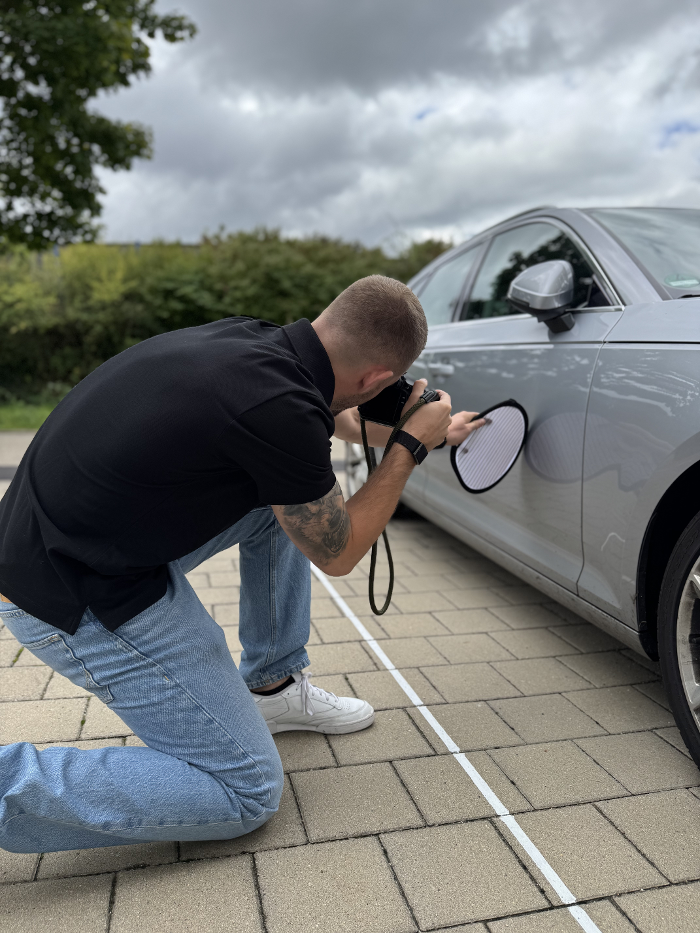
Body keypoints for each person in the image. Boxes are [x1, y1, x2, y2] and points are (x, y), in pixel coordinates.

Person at [0, 275, 484, 854]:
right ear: (377, 380)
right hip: (70, 589)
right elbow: (340, 551)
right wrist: (408, 448)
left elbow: (333, 419)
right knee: (247, 791)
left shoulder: (261, 344)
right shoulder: (280, 409)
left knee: (276, 508)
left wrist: (432, 430)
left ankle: (274, 684)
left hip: (60, 537)